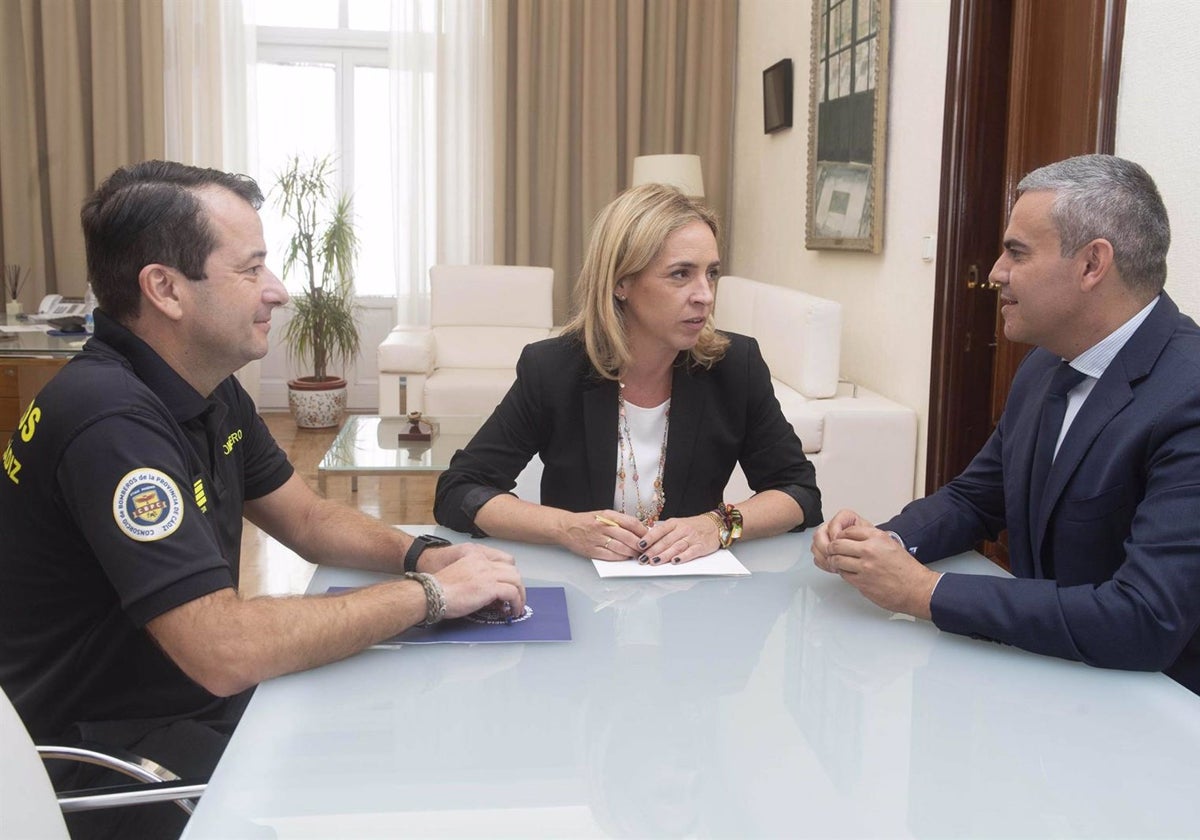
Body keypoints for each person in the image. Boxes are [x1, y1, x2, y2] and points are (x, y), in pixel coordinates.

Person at [0, 161, 525, 839]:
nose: (276, 291)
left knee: (401, 730)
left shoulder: (203, 387)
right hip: (103, 761)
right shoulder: (110, 422)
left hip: (175, 701)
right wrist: (428, 595)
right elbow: (223, 649)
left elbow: (304, 517)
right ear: (164, 289)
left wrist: (425, 553)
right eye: (250, 269)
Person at [812, 154, 1200, 694]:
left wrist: (925, 592)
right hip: (1046, 677)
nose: (995, 272)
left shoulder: (1189, 396)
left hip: (1156, 715)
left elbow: (1144, 618)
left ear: (1092, 265)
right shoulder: (1046, 363)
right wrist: (883, 543)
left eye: (1016, 252)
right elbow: (976, 498)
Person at [435, 183, 821, 563]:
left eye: (711, 273)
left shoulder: (735, 365)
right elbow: (460, 490)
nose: (705, 294)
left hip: (694, 593)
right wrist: (565, 528)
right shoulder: (553, 370)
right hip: (580, 589)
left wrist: (719, 524)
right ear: (622, 282)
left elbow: (798, 491)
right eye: (681, 274)